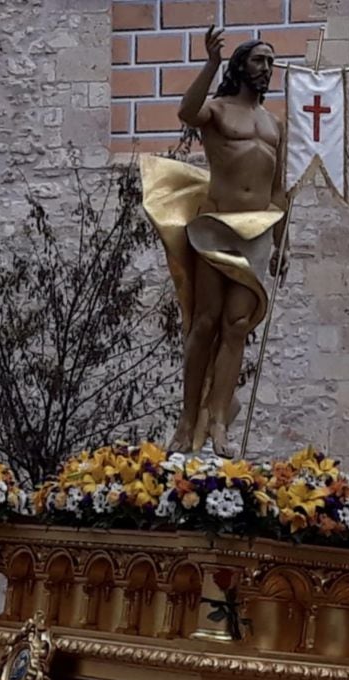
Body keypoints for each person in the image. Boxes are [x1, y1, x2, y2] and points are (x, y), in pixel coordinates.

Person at [140, 29, 286, 457]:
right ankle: (188, 422)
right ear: (240, 66)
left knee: (237, 326)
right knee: (205, 322)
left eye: (271, 62)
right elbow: (186, 112)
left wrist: (284, 242)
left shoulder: (276, 124)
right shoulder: (219, 110)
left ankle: (219, 420)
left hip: (257, 231)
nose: (266, 69)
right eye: (259, 60)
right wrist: (209, 63)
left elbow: (278, 189)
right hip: (216, 225)